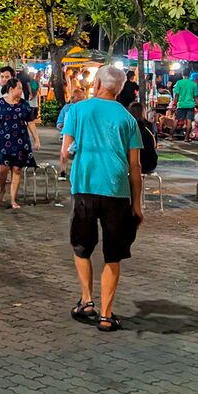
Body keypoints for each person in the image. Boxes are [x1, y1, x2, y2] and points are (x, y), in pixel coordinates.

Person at [60, 65, 143, 333]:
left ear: (97, 84)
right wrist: (137, 205)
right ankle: (106, 315)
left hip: (85, 187)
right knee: (113, 255)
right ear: (119, 89)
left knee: (81, 247)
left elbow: (65, 152)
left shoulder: (77, 110)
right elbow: (135, 167)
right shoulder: (128, 119)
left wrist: (73, 157)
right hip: (117, 191)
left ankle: (87, 301)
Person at [0, 78, 39, 210]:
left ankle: (13, 199)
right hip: (3, 141)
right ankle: (2, 189)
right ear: (11, 89)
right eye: (19, 88)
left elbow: (31, 122)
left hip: (21, 141)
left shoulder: (24, 104)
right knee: (2, 169)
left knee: (17, 169)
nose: (21, 91)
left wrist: (36, 139)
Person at [126, 102, 158, 175]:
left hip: (133, 164)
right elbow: (155, 145)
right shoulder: (150, 126)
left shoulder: (128, 128)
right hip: (150, 164)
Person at [172, 71, 198, 142]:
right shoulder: (193, 84)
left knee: (176, 120)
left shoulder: (179, 82)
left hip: (181, 105)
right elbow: (196, 97)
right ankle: (186, 138)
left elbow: (176, 95)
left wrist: (174, 104)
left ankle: (170, 136)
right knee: (189, 121)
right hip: (190, 105)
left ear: (182, 74)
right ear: (189, 75)